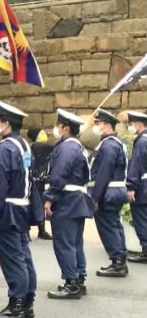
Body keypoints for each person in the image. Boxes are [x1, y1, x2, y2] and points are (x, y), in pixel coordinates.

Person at [0, 102, 40, 318]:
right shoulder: (23, 145)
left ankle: (16, 303)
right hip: (22, 207)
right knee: (23, 256)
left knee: (13, 259)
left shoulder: (5, 148)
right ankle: (27, 301)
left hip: (7, 209)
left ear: (5, 123)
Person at [45, 109, 94, 300]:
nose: (56, 129)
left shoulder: (66, 148)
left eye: (58, 126)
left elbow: (59, 175)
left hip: (67, 200)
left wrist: (50, 197)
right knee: (75, 243)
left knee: (64, 242)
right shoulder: (78, 146)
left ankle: (71, 282)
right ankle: (78, 279)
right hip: (77, 199)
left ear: (66, 128)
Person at [88, 109, 129, 278]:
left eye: (98, 124)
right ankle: (120, 259)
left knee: (108, 226)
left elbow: (104, 173)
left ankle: (117, 261)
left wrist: (96, 197)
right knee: (114, 225)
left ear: (106, 125)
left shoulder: (109, 145)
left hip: (108, 191)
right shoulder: (114, 143)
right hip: (115, 190)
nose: (95, 127)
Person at [127, 111, 147, 264]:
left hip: (142, 186)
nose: (130, 127)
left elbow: (136, 165)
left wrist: (131, 186)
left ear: (139, 124)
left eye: (131, 123)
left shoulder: (141, 142)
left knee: (141, 218)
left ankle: (145, 250)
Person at [28, 127, 53, 240]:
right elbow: (53, 147)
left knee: (41, 205)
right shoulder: (36, 146)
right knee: (32, 205)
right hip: (35, 180)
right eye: (41, 133)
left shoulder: (43, 148)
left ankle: (41, 230)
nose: (45, 134)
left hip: (42, 180)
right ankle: (27, 230)